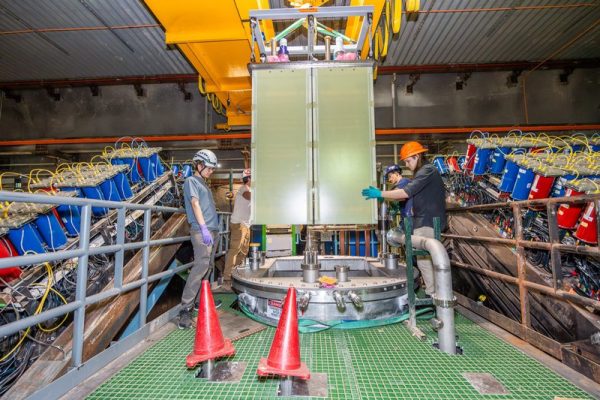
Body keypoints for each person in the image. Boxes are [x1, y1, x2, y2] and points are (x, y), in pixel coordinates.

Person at [362, 142, 446, 296]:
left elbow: (406, 193)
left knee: (423, 259)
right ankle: (434, 292)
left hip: (427, 222)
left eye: (408, 161)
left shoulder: (427, 170)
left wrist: (380, 194)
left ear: (417, 156)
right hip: (424, 220)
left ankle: (433, 294)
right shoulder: (424, 171)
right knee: (424, 259)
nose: (407, 165)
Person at [178, 149, 221, 329]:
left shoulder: (204, 183)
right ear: (199, 165)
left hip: (212, 230)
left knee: (208, 267)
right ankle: (185, 310)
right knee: (200, 267)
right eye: (209, 168)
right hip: (202, 231)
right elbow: (195, 204)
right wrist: (203, 228)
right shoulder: (191, 181)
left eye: (212, 168)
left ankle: (199, 301)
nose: (211, 171)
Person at [223, 169, 252, 287]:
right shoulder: (243, 189)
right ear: (248, 179)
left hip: (246, 224)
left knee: (244, 250)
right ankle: (227, 278)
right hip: (238, 224)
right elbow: (249, 197)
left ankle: (237, 273)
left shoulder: (250, 189)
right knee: (234, 250)